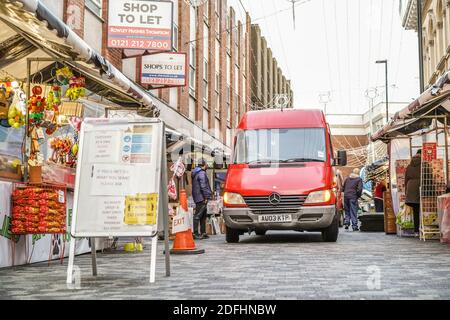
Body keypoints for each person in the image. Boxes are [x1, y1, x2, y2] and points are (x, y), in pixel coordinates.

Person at [191, 159, 213, 240]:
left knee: (203, 215)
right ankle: (196, 233)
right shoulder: (201, 173)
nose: (207, 165)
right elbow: (203, 186)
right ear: (204, 165)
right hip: (201, 197)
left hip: (198, 196)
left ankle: (203, 233)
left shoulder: (197, 172)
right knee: (198, 215)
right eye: (207, 164)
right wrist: (206, 197)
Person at [405, 150, 422, 234]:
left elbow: (406, 179)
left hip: (410, 188)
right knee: (423, 210)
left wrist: (406, 191)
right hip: (421, 187)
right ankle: (423, 228)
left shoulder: (409, 166)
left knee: (415, 211)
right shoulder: (424, 165)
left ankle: (416, 231)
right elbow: (428, 177)